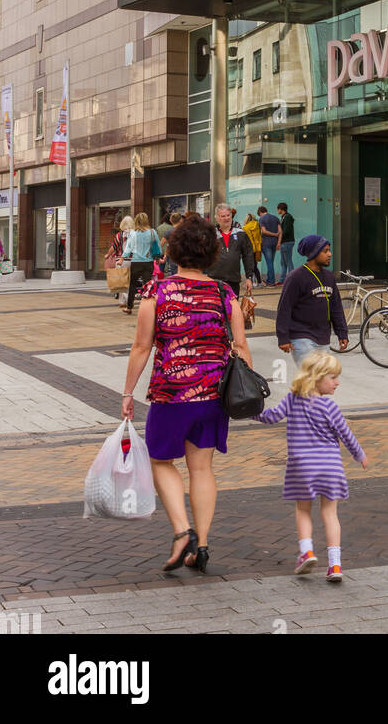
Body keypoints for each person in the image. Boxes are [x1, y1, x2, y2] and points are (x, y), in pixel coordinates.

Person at [121, 214, 252, 575]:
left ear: (175, 250)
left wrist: (128, 392)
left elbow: (140, 347)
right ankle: (203, 545)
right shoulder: (225, 294)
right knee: (202, 468)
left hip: (170, 395)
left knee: (161, 461)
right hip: (213, 397)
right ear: (212, 253)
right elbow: (240, 347)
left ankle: (182, 532)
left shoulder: (156, 292)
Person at [254, 350, 367, 581]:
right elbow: (347, 436)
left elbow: (271, 416)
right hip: (331, 467)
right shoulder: (330, 408)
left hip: (302, 466)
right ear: (316, 377)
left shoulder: (291, 400)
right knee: (330, 512)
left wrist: (247, 412)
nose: (337, 383)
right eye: (333, 377)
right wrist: (360, 455)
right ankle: (335, 565)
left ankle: (306, 552)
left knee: (303, 510)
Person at [276, 235, 349, 365]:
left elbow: (336, 307)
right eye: (325, 251)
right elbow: (284, 308)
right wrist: (283, 337)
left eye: (329, 250)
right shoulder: (295, 277)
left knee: (321, 380)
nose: (330, 254)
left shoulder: (329, 277)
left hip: (323, 336)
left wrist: (342, 332)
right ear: (313, 253)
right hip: (301, 336)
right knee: (312, 377)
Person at [208, 203, 255, 299]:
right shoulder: (210, 235)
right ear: (217, 218)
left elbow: (248, 256)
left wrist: (249, 277)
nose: (226, 218)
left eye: (228, 215)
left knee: (233, 310)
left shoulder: (240, 234)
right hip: (214, 280)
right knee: (217, 311)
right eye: (223, 216)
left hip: (233, 280)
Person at [121, 212, 162, 315]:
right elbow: (157, 246)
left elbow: (129, 247)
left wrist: (123, 257)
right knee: (148, 285)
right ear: (146, 220)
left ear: (136, 221)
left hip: (136, 262)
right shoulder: (152, 232)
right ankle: (148, 308)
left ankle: (129, 307)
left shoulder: (133, 233)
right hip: (148, 262)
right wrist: (157, 257)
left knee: (132, 284)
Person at [258, 204, 282, 286]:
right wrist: (279, 242)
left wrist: (274, 234)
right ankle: (269, 280)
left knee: (269, 262)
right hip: (275, 243)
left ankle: (271, 282)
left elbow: (264, 231)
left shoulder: (261, 219)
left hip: (266, 243)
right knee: (271, 262)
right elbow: (280, 231)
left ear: (260, 212)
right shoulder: (276, 218)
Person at [162, 211, 184, 277]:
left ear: (171, 221)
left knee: (175, 275)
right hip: (183, 257)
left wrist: (165, 254)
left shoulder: (169, 232)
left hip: (173, 258)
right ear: (181, 220)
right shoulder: (185, 231)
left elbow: (161, 244)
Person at [243, 212, 263, 285]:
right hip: (258, 249)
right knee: (255, 266)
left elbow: (245, 241)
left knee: (250, 267)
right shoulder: (257, 225)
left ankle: (252, 282)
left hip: (249, 249)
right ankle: (259, 282)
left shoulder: (245, 228)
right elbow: (260, 237)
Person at [277, 202, 296, 276]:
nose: (277, 211)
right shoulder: (284, 217)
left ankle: (292, 278)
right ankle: (282, 279)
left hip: (287, 242)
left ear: (281, 209)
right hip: (285, 242)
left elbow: (286, 230)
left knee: (288, 261)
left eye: (278, 209)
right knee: (283, 262)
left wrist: (279, 237)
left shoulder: (287, 217)